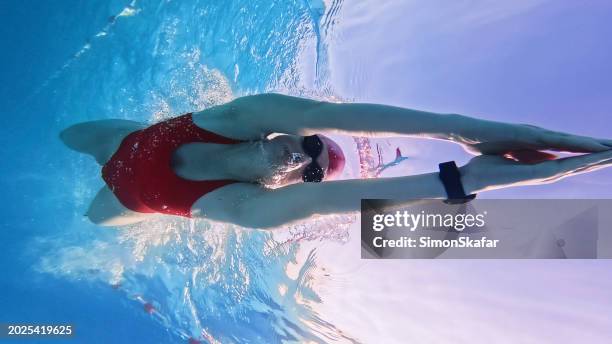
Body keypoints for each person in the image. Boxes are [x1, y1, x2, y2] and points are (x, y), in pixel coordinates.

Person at [60, 93, 612, 228]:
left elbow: (335, 199)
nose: (303, 156)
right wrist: (465, 131)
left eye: (312, 168)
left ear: (292, 184)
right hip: (119, 140)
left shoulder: (247, 208)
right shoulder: (244, 117)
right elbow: (344, 113)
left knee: (92, 217)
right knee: (67, 134)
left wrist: (468, 182)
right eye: (312, 144)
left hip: (126, 198)